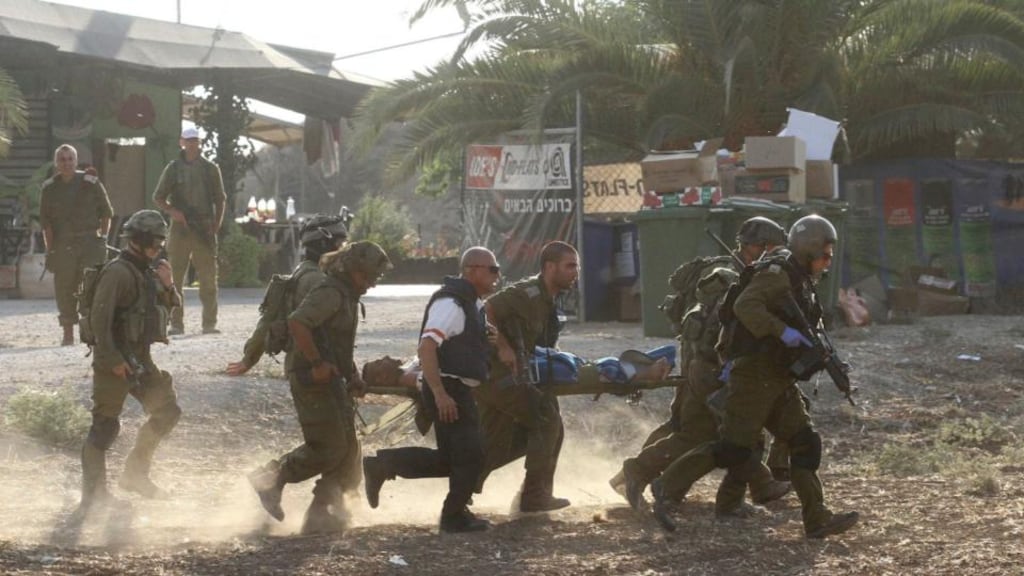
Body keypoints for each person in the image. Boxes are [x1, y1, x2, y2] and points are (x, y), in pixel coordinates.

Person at [647, 214, 859, 539]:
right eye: (825, 255)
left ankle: (817, 519)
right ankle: (666, 486)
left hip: (778, 376)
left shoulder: (801, 279)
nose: (828, 262)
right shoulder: (777, 274)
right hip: (754, 375)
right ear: (807, 251)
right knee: (734, 448)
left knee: (805, 443)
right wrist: (782, 331)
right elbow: (746, 306)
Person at [615, 217, 792, 515]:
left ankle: (635, 473)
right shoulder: (730, 277)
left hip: (702, 364)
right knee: (740, 428)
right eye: (772, 249)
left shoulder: (742, 274)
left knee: (694, 432)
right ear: (755, 248)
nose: (776, 257)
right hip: (712, 366)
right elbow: (722, 330)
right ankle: (756, 488)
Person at [247, 241, 391, 534]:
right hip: (311, 379)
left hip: (330, 379)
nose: (372, 284)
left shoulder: (347, 294)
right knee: (330, 447)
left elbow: (336, 343)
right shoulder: (331, 292)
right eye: (369, 277)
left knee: (349, 450)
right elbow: (298, 323)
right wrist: (316, 363)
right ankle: (271, 477)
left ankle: (324, 516)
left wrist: (352, 375)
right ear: (353, 270)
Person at [362, 247, 500, 533]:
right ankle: (453, 517)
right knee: (471, 455)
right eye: (493, 270)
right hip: (448, 387)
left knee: (452, 459)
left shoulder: (470, 302)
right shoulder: (452, 303)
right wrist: (439, 393)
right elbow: (427, 347)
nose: (497, 275)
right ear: (472, 270)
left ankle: (384, 465)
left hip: (454, 387)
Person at [79, 210, 181, 512]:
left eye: (161, 241)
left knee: (167, 412)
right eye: (154, 241)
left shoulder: (147, 272)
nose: (158, 247)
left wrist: (169, 284)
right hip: (114, 360)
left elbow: (169, 309)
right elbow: (100, 319)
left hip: (140, 358)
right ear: (138, 240)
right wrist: (112, 359)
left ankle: (135, 474)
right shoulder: (118, 272)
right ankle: (94, 497)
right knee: (104, 428)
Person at [474, 240, 578, 512]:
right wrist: (504, 347)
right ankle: (532, 495)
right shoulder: (527, 294)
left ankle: (534, 493)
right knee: (546, 420)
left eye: (576, 267)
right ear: (549, 267)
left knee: (541, 430)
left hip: (514, 375)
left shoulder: (548, 300)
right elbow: (484, 311)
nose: (575, 272)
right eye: (570, 266)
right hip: (493, 374)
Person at [225, 214, 349, 376]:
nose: (344, 250)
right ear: (325, 243)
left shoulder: (300, 273)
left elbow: (268, 319)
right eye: (341, 244)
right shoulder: (319, 282)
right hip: (316, 370)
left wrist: (248, 360)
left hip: (301, 366)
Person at [152, 127, 226, 335]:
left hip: (203, 227)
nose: (192, 144)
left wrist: (216, 224)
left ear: (199, 142)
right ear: (181, 142)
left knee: (208, 279)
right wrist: (172, 211)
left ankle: (209, 323)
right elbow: (158, 197)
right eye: (188, 140)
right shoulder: (173, 168)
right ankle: (176, 323)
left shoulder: (210, 169)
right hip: (180, 229)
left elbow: (220, 199)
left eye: (195, 140)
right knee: (174, 278)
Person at [39, 144, 113, 346]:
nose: (66, 163)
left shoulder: (90, 182)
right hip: (64, 245)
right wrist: (50, 250)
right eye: (62, 159)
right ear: (56, 163)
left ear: (76, 160)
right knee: (65, 288)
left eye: (70, 158)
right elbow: (47, 225)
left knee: (92, 287)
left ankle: (91, 331)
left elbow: (107, 213)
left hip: (90, 242)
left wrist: (103, 238)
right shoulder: (49, 188)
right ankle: (68, 333)